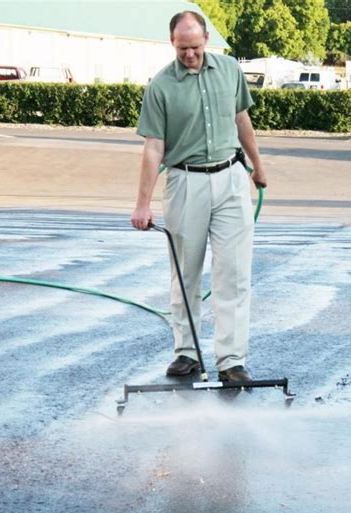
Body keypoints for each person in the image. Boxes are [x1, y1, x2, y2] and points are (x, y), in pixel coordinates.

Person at [131, 10, 267, 383]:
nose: (189, 54)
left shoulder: (229, 71)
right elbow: (153, 148)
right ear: (172, 44)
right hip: (185, 182)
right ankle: (186, 353)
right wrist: (142, 203)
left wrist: (257, 165)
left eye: (194, 47)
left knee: (234, 274)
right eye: (181, 48)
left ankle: (232, 360)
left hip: (231, 179)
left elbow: (242, 121)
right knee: (185, 272)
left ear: (206, 39)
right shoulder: (160, 86)